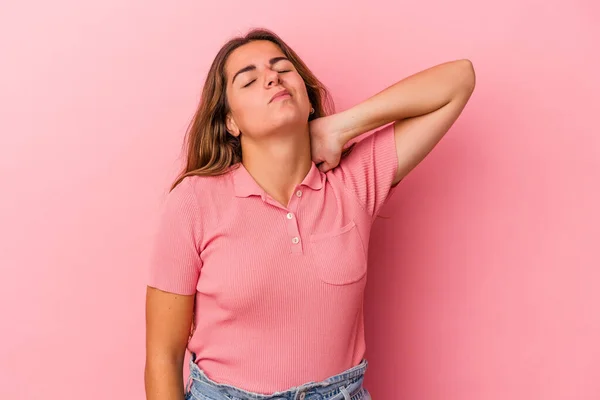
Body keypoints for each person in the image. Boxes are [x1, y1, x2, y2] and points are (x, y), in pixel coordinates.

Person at [144, 28, 475, 400]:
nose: (272, 78)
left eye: (283, 69)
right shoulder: (194, 201)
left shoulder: (354, 184)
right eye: (249, 80)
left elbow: (459, 78)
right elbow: (163, 356)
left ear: (307, 99)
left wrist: (342, 126)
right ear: (231, 123)